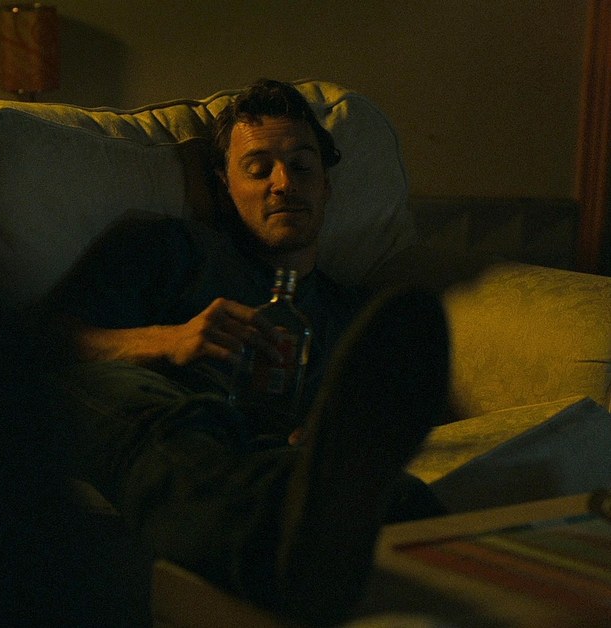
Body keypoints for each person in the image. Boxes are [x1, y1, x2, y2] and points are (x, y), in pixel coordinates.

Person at [38, 79, 450, 625]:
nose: (284, 183)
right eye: (258, 169)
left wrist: (323, 434)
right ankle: (275, 542)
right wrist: (167, 340)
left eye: (302, 167)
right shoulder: (170, 247)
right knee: (105, 386)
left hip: (273, 460)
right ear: (225, 185)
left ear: (326, 186)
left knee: (403, 499)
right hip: (159, 417)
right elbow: (41, 343)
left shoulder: (354, 315)